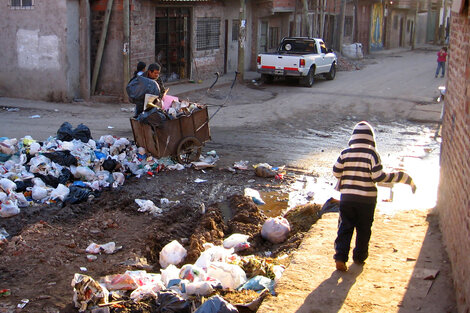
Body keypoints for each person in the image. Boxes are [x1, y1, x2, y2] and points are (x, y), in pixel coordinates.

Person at [332, 121, 417, 272]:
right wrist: (401, 177)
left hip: (347, 199)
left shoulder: (345, 153)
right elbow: (378, 176)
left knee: (345, 227)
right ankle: (359, 257)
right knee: (364, 229)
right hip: (367, 200)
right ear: (371, 139)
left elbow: (336, 172)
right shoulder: (372, 155)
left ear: (353, 138)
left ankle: (340, 257)